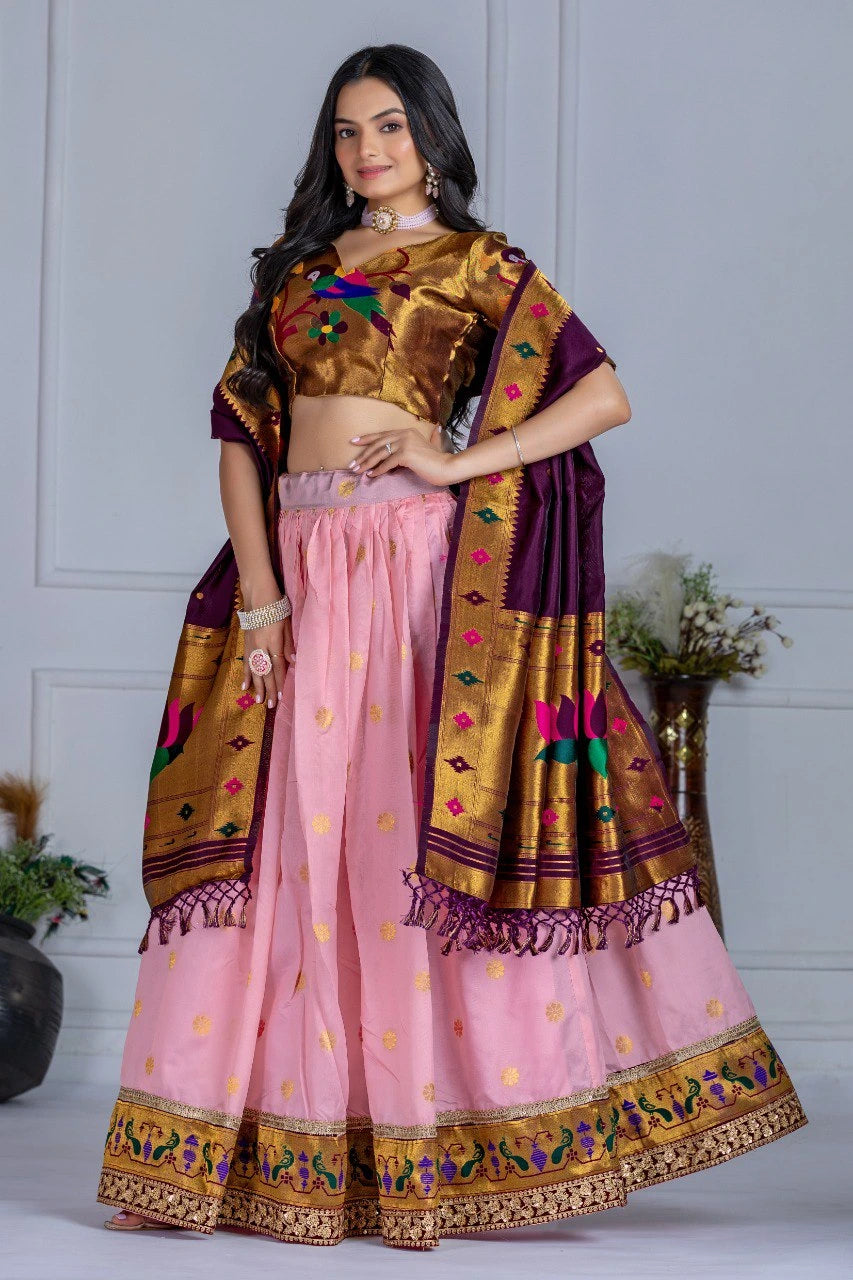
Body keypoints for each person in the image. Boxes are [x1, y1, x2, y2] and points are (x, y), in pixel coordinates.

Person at [97, 44, 807, 1251]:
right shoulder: (298, 270)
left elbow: (601, 394)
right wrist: (260, 596)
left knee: (400, 836)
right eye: (346, 131)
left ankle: (439, 1141)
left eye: (389, 125)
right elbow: (238, 435)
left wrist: (459, 460)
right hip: (303, 566)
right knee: (294, 839)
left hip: (420, 575)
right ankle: (265, 1145)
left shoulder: (481, 265)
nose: (367, 150)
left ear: (431, 136)